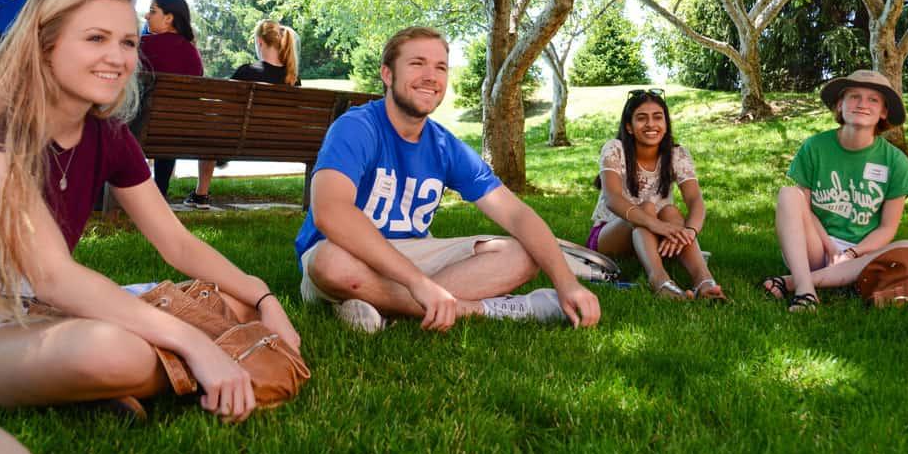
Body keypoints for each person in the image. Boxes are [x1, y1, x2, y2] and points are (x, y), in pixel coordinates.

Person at [0, 0, 300, 422]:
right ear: (43, 44)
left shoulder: (107, 133)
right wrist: (194, 342)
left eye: (129, 42)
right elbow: (54, 277)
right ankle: (112, 377)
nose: (117, 58)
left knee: (237, 301)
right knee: (114, 353)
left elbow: (178, 244)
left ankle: (92, 385)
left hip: (52, 307)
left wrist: (264, 297)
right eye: (96, 38)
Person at [295, 26, 601, 333]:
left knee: (523, 254)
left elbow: (517, 214)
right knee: (329, 262)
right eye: (417, 64)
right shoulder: (356, 127)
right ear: (387, 75)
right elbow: (330, 212)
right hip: (349, 254)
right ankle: (492, 310)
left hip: (414, 252)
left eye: (440, 67)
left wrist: (567, 283)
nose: (431, 76)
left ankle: (378, 307)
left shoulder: (443, 145)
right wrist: (418, 283)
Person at [762, 70, 908, 312]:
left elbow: (888, 228)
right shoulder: (815, 147)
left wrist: (851, 253)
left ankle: (793, 282)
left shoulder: (895, 161)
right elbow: (803, 208)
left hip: (861, 254)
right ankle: (806, 293)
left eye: (873, 100)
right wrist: (831, 249)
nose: (862, 104)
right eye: (854, 96)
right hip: (813, 247)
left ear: (883, 112)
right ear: (840, 105)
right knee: (788, 194)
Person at [588, 88, 725, 300]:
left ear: (666, 124)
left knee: (670, 211)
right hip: (611, 234)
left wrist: (690, 231)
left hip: (655, 236)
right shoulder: (615, 149)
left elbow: (695, 199)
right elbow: (612, 198)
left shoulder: (676, 154)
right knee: (648, 208)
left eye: (658, 117)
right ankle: (659, 280)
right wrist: (655, 224)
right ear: (629, 127)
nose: (651, 124)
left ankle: (704, 281)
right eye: (641, 118)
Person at [184, 19, 300, 209]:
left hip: (240, 140)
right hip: (280, 143)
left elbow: (223, 107)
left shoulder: (246, 72)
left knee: (209, 135)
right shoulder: (293, 79)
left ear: (260, 42)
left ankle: (201, 195)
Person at [139, 0, 203, 197]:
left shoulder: (142, 46)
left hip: (139, 127)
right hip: (174, 132)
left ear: (169, 18)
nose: (146, 16)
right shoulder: (192, 53)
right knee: (167, 123)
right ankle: (160, 191)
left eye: (152, 11)